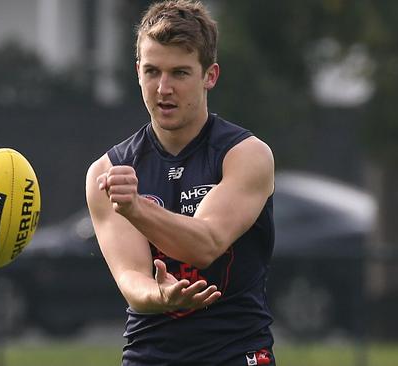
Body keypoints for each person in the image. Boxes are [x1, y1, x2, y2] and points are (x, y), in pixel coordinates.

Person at [85, 1, 276, 364]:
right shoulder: (108, 171)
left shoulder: (245, 155)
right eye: (153, 71)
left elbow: (206, 244)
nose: (164, 88)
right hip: (149, 355)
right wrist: (161, 298)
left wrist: (136, 208)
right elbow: (131, 278)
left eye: (180, 73)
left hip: (235, 353)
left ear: (210, 76)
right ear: (137, 72)